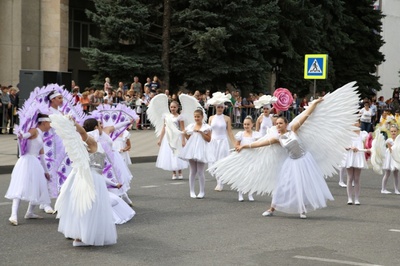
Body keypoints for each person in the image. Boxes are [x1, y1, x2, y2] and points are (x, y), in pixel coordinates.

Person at [236, 98, 334, 219]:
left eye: (280, 123)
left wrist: (314, 103)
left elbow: (306, 115)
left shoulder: (293, 130)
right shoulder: (277, 139)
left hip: (304, 160)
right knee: (283, 186)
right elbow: (260, 143)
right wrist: (245, 146)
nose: (278, 125)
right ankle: (272, 208)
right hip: (292, 163)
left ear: (286, 124)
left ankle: (302, 209)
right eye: (276, 123)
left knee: (303, 185)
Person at [53, 117, 117, 247]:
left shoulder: (95, 143)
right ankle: (82, 236)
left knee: (91, 207)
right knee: (90, 207)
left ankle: (84, 235)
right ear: (95, 127)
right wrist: (73, 123)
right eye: (99, 124)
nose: (101, 126)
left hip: (95, 177)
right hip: (93, 178)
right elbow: (82, 133)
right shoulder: (91, 142)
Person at [5, 114, 52, 226]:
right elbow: (25, 136)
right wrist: (21, 134)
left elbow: (41, 155)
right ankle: (13, 214)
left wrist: (46, 171)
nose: (50, 125)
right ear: (44, 122)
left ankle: (30, 212)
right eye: (49, 123)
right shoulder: (34, 130)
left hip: (35, 162)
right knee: (20, 187)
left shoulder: (41, 135)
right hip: (26, 162)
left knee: (38, 186)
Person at [180, 108, 214, 198]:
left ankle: (202, 191)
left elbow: (209, 139)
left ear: (202, 117)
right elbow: (189, 138)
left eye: (198, 117)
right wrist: (185, 133)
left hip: (201, 150)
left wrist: (201, 133)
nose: (196, 118)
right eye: (195, 117)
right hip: (192, 149)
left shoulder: (206, 127)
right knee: (192, 171)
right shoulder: (191, 126)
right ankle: (191, 191)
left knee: (200, 171)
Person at [207, 92, 235, 191]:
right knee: (214, 161)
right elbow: (209, 132)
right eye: (218, 107)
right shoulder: (211, 118)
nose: (220, 109)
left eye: (221, 107)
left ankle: (220, 182)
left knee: (221, 161)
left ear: (224, 108)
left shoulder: (227, 118)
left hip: (223, 141)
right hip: (213, 142)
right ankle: (218, 180)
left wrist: (235, 144)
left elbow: (230, 132)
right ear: (215, 107)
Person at [156, 101, 188, 179]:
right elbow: (164, 127)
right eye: (171, 107)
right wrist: (160, 139)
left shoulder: (180, 117)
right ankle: (174, 172)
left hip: (177, 137)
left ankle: (180, 172)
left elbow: (182, 129)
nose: (173, 109)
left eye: (174, 107)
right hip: (169, 137)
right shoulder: (167, 117)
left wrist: (183, 140)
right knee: (171, 153)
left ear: (177, 108)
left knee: (178, 153)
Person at [235, 116, 261, 201]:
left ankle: (250, 193)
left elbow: (258, 145)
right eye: (245, 124)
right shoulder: (241, 134)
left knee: (251, 175)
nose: (246, 126)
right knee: (241, 175)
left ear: (252, 125)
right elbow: (237, 145)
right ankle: (240, 193)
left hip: (252, 157)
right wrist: (238, 148)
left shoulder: (255, 135)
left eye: (248, 124)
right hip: (243, 157)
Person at [343, 121, 369, 205]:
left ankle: (357, 199)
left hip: (358, 156)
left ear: (359, 124)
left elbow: (367, 145)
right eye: (353, 122)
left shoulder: (363, 134)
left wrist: (367, 149)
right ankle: (349, 198)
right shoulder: (348, 134)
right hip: (350, 156)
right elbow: (344, 146)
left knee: (357, 178)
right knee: (350, 177)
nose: (354, 123)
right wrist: (351, 147)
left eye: (356, 122)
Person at [381, 124, 400, 194]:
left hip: (395, 158)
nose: (393, 133)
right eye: (392, 131)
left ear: (397, 131)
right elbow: (390, 149)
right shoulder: (389, 140)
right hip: (389, 158)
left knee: (396, 174)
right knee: (387, 173)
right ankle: (383, 189)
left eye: (395, 131)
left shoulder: (398, 140)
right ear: (390, 132)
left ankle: (396, 189)